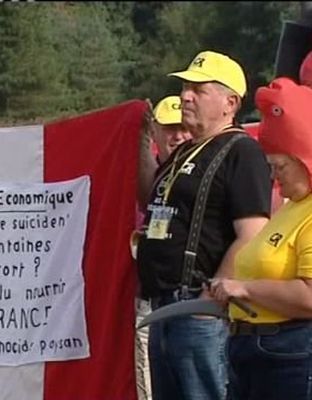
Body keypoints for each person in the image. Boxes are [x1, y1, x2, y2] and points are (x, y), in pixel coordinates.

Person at [136, 50, 272, 400]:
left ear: (230, 102)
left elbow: (253, 233)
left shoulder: (242, 152)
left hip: (199, 310)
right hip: (165, 306)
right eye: (184, 87)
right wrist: (139, 141)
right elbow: (150, 196)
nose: (185, 95)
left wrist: (210, 297)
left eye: (199, 88)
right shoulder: (185, 151)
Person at [210, 77, 312, 400]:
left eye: (280, 166)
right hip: (255, 350)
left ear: (305, 160)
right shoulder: (292, 207)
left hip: (289, 354)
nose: (274, 177)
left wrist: (244, 288)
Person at [134, 95, 192, 400]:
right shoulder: (155, 176)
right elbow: (145, 198)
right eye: (169, 128)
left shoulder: (202, 172)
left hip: (194, 301)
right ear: (155, 132)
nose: (178, 135)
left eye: (183, 127)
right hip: (151, 300)